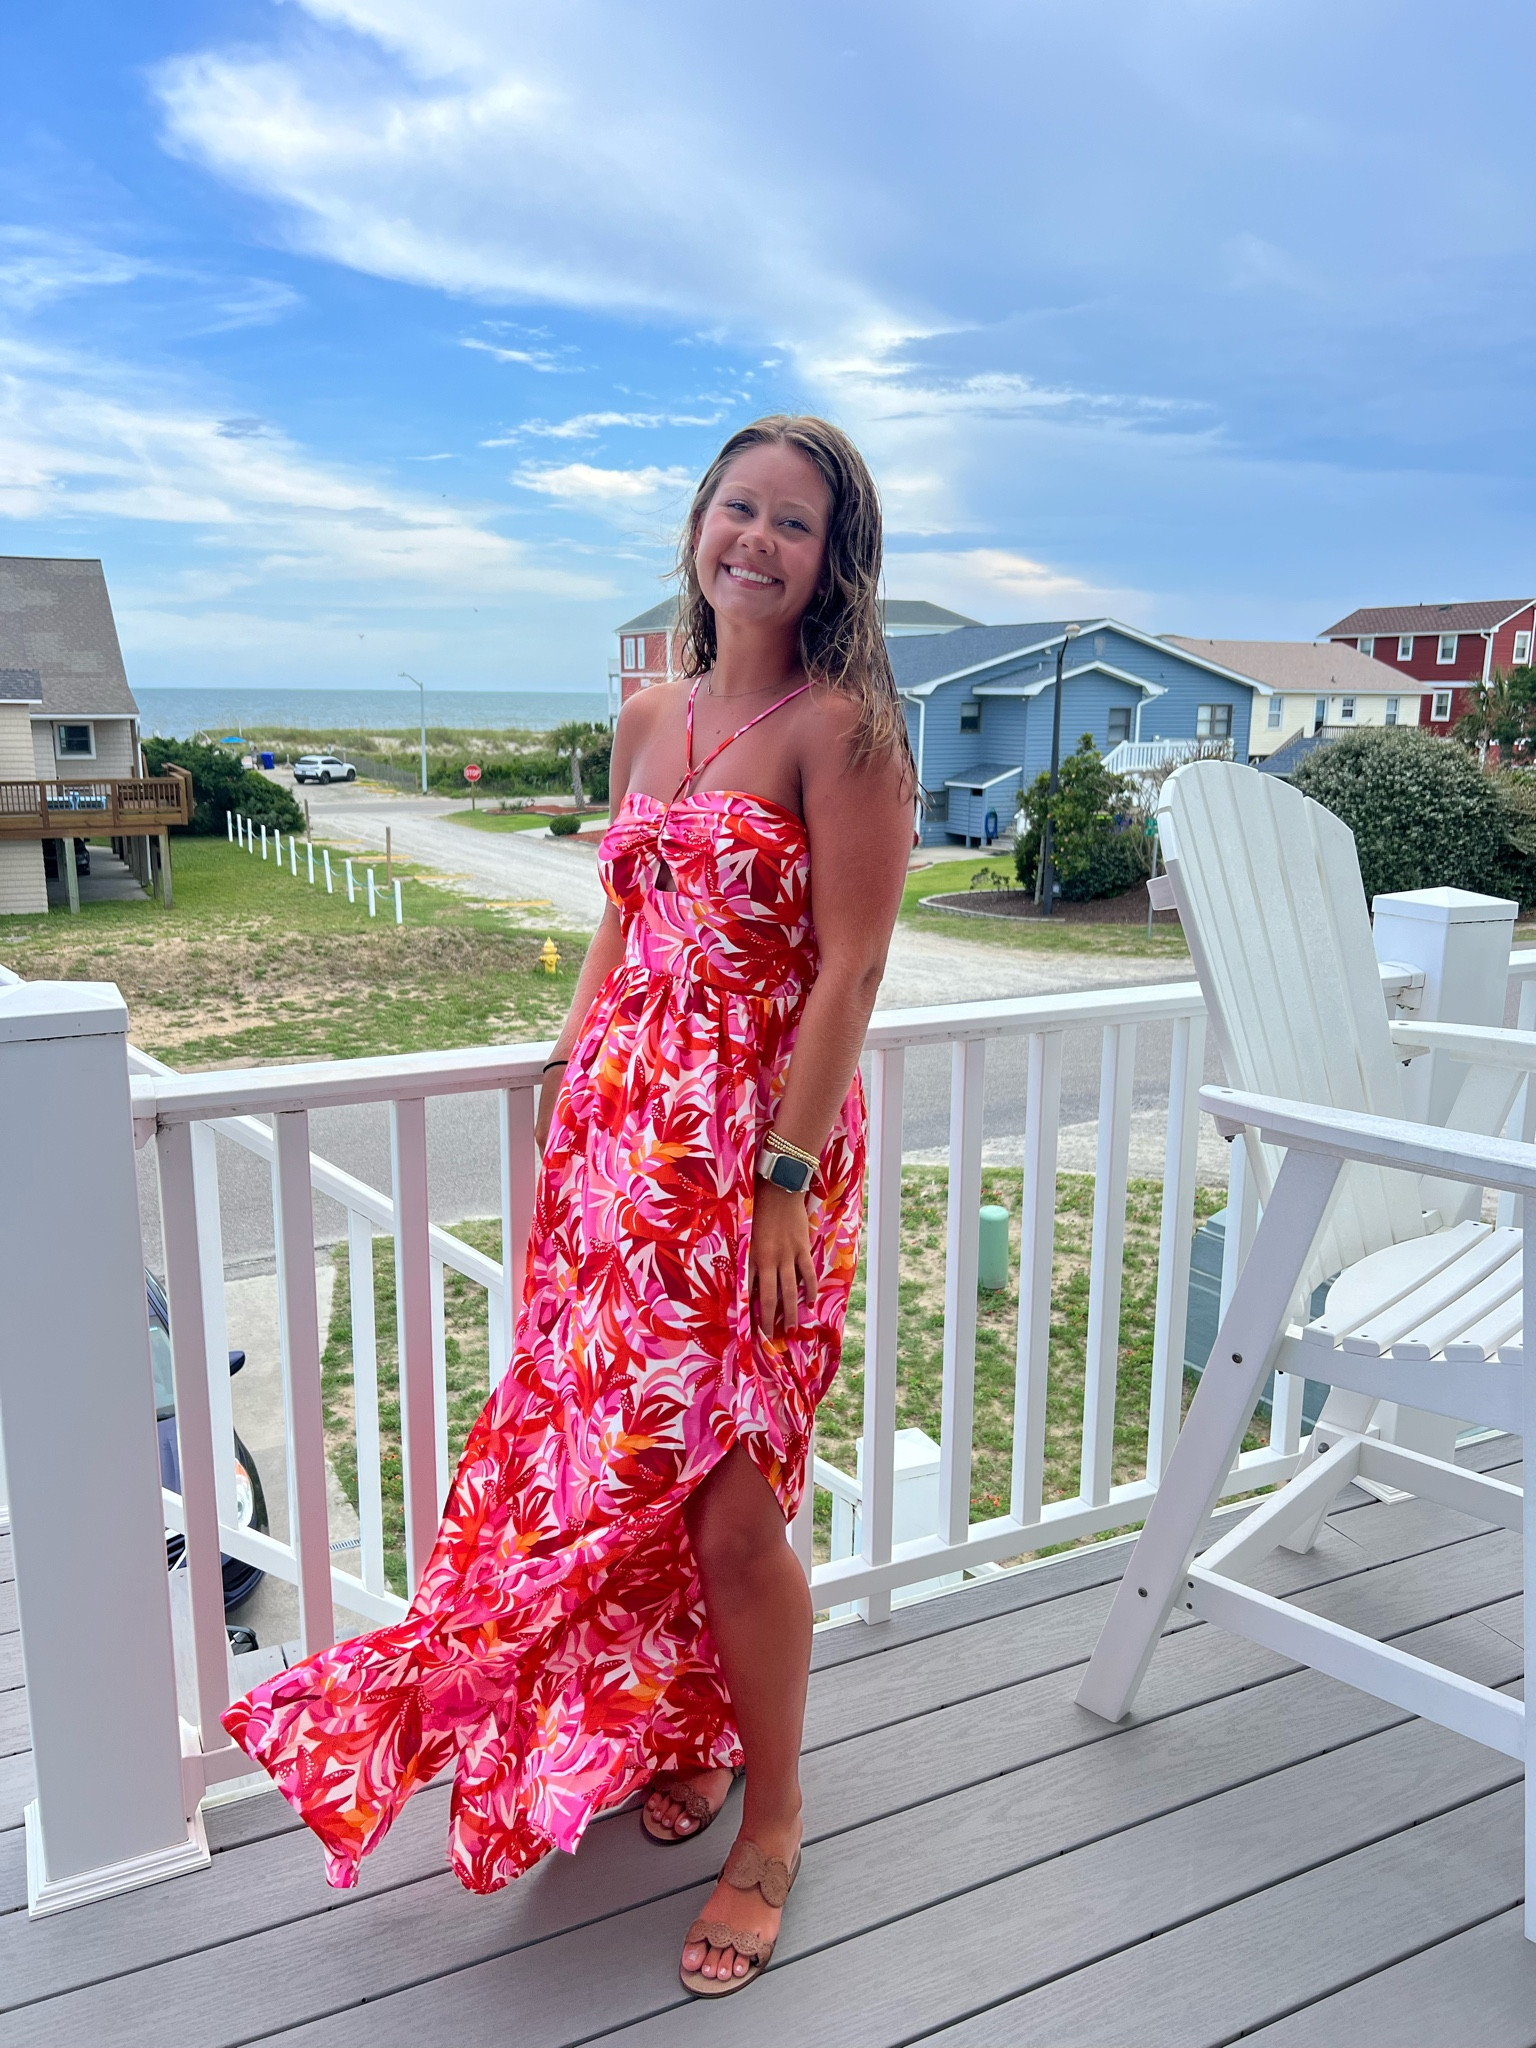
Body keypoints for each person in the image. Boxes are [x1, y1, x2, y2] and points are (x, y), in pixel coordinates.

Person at [222, 414, 916, 2001]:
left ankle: (776, 1819)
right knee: (618, 1477)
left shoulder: (845, 729)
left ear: (834, 560)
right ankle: (696, 1727)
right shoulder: (650, 713)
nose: (755, 539)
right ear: (698, 526)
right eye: (736, 507)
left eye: (792, 521)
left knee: (731, 1502)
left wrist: (784, 1183)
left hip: (754, 1157)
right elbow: (621, 916)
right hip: (622, 1150)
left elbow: (856, 969)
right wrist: (568, 1072)